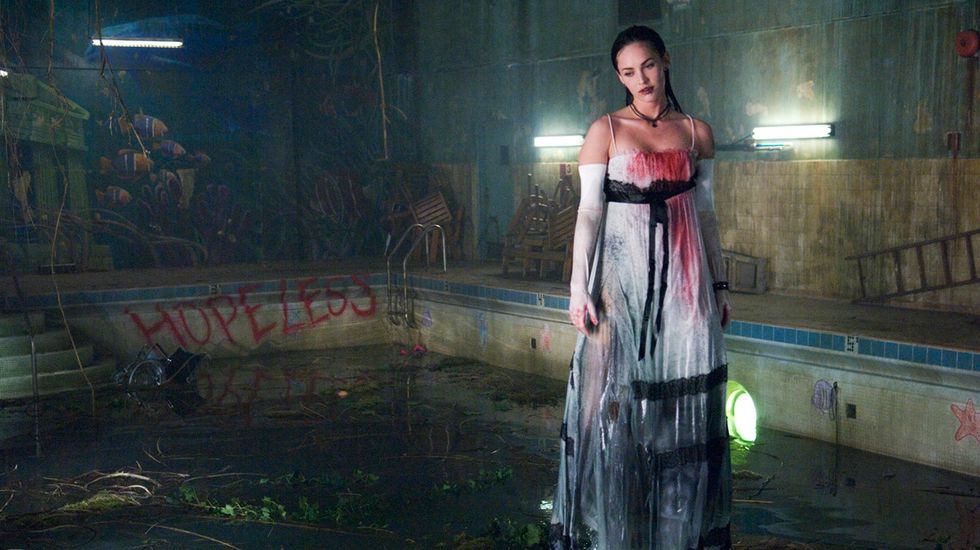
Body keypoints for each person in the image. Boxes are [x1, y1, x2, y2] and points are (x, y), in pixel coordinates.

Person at [550, 25, 732, 549]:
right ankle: (611, 535)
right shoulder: (605, 130)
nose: (642, 79)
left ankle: (678, 535)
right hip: (619, 285)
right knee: (610, 405)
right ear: (619, 77)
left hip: (686, 283)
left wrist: (720, 285)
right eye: (628, 72)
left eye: (648, 65)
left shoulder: (696, 132)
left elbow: (706, 214)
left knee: (683, 411)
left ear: (665, 60)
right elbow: (588, 213)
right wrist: (578, 288)